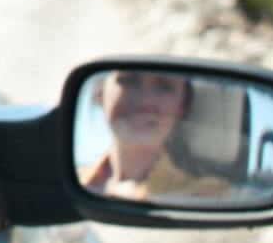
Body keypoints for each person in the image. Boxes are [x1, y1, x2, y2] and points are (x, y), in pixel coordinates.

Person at [77, 69, 232, 203]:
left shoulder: (209, 194)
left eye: (164, 86)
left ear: (182, 105)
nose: (144, 101)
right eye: (129, 80)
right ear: (100, 93)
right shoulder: (73, 181)